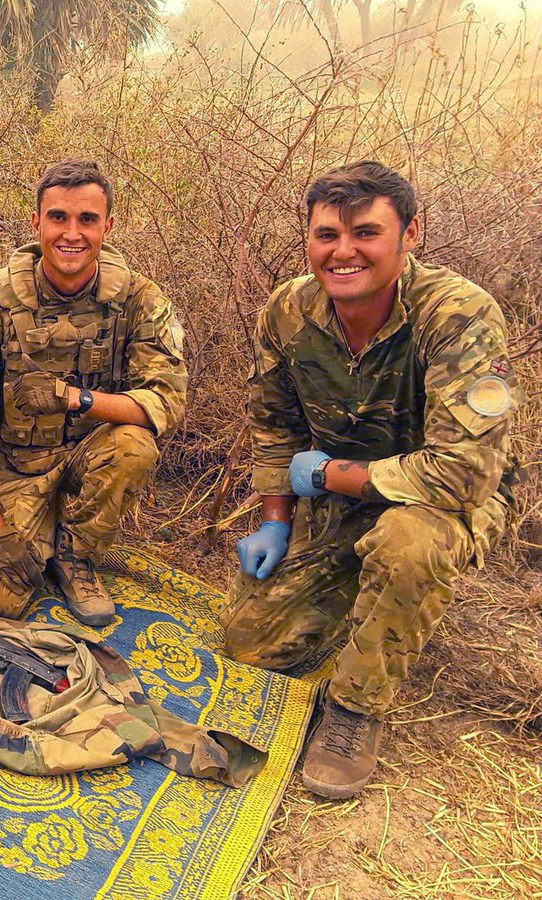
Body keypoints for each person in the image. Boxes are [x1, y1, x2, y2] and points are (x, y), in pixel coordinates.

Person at [222, 161, 524, 799]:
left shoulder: (457, 314)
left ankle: (355, 710)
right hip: (342, 499)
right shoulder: (288, 311)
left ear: (410, 234)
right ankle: (370, 595)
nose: (344, 251)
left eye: (365, 233)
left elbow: (463, 472)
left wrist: (331, 473)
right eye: (327, 235)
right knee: (250, 646)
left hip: (439, 504)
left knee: (408, 546)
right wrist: (275, 519)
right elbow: (274, 425)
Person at [0, 159, 187, 626]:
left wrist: (75, 399)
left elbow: (166, 401)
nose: (72, 233)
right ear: (37, 223)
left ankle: (78, 553)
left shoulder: (139, 299)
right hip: (15, 463)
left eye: (87, 219)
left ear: (107, 226)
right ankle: (36, 523)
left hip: (88, 456)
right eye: (58, 217)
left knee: (134, 445)